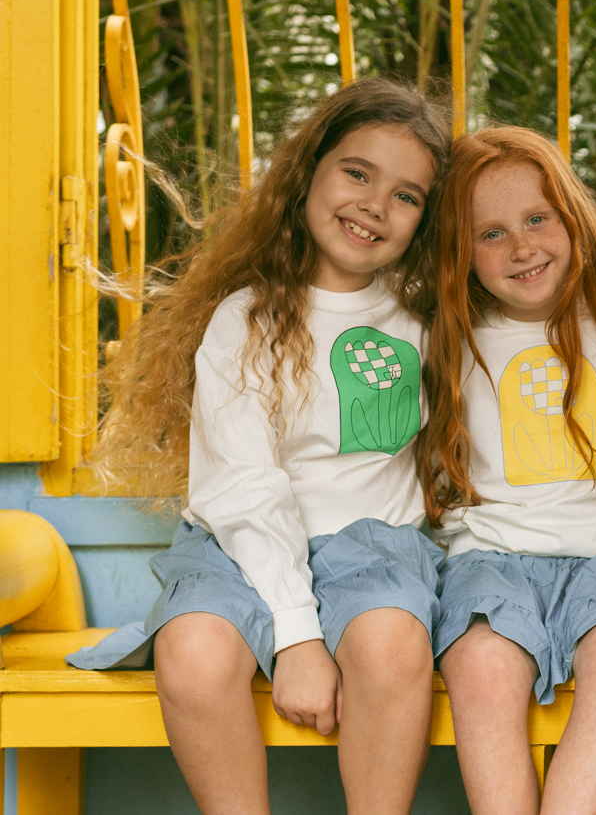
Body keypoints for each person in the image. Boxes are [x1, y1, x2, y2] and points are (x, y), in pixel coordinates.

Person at [68, 79, 454, 815]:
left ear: (426, 220)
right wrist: (298, 636)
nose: (375, 204)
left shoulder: (430, 321)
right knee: (193, 655)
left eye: (407, 196)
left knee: (390, 647)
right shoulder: (245, 320)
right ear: (307, 172)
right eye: (357, 173)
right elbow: (243, 488)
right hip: (236, 545)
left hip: (376, 544)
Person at [417, 126, 596, 815]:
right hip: (490, 556)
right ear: (459, 250)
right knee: (479, 666)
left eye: (538, 219)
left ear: (572, 217)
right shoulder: (449, 333)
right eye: (491, 233)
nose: (522, 246)